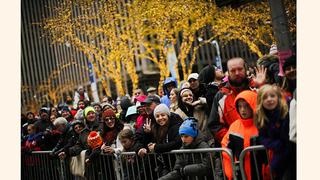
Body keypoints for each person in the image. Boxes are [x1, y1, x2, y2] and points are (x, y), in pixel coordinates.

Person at [207, 57, 266, 146]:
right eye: (233, 70)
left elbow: (273, 111)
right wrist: (232, 139)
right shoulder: (221, 96)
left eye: (240, 69)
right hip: (236, 151)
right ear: (228, 73)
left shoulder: (257, 88)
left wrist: (262, 86)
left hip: (262, 144)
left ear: (245, 69)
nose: (237, 73)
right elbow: (214, 125)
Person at [221, 90, 269, 180]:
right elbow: (225, 149)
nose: (243, 110)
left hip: (260, 172)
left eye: (246, 105)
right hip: (241, 173)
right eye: (240, 106)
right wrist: (231, 173)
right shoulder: (234, 126)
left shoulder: (263, 125)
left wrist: (268, 171)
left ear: (254, 105)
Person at [254, 84, 291, 179]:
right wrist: (275, 144)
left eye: (272, 96)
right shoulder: (262, 117)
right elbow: (262, 137)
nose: (269, 99)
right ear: (260, 101)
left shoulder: (286, 111)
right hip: (279, 155)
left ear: (278, 97)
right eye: (265, 97)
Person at [136, 104, 183, 177]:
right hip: (163, 164)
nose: (160, 118)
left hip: (176, 163)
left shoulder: (176, 125)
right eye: (157, 116)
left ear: (168, 115)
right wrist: (147, 134)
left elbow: (177, 143)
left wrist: (156, 147)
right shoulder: (156, 128)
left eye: (163, 115)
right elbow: (149, 144)